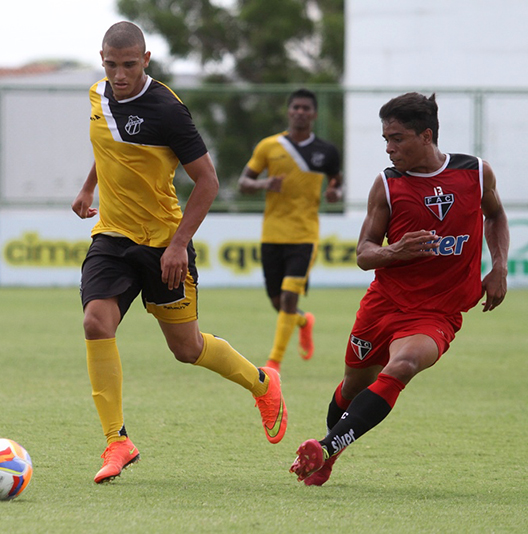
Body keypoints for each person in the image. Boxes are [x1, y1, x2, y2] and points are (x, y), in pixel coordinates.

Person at [72, 21, 287, 484]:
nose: (120, 74)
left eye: (129, 65)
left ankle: (263, 383)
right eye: (111, 65)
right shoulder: (98, 95)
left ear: (146, 60)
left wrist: (178, 243)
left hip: (163, 243)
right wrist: (88, 187)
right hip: (112, 237)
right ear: (102, 60)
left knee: (186, 349)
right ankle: (117, 441)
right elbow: (107, 142)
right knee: (95, 320)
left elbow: (208, 181)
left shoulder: (168, 110)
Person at [290, 92, 509, 486]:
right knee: (354, 386)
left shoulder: (475, 172)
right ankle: (329, 452)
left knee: (404, 365)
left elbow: (495, 216)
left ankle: (324, 449)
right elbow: (363, 254)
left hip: (436, 314)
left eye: (397, 138)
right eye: (385, 139)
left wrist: (500, 266)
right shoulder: (388, 186)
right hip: (383, 305)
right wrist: (394, 251)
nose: (389, 148)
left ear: (426, 136)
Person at [238, 88, 343, 372]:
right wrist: (263, 184)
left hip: (304, 234)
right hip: (272, 233)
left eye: (306, 108)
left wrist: (335, 192)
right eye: (295, 107)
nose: (300, 112)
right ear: (288, 111)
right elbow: (243, 183)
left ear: (314, 114)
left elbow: (337, 182)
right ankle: (303, 321)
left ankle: (274, 363)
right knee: (278, 302)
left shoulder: (326, 151)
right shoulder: (268, 146)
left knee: (288, 297)